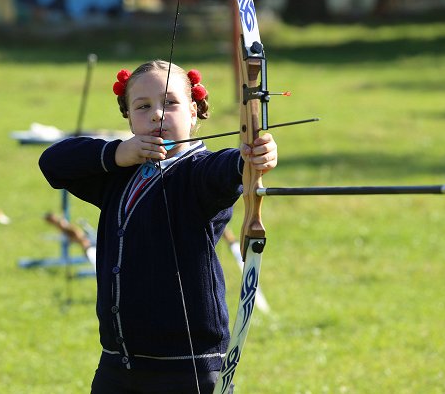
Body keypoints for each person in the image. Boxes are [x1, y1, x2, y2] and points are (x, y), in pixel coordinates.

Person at [39, 59, 277, 393]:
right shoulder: (118, 174)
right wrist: (118, 153)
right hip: (118, 362)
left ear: (193, 112)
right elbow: (52, 163)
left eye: (171, 103)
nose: (157, 114)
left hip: (187, 366)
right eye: (143, 106)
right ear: (128, 116)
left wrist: (250, 158)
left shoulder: (198, 173)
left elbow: (225, 169)